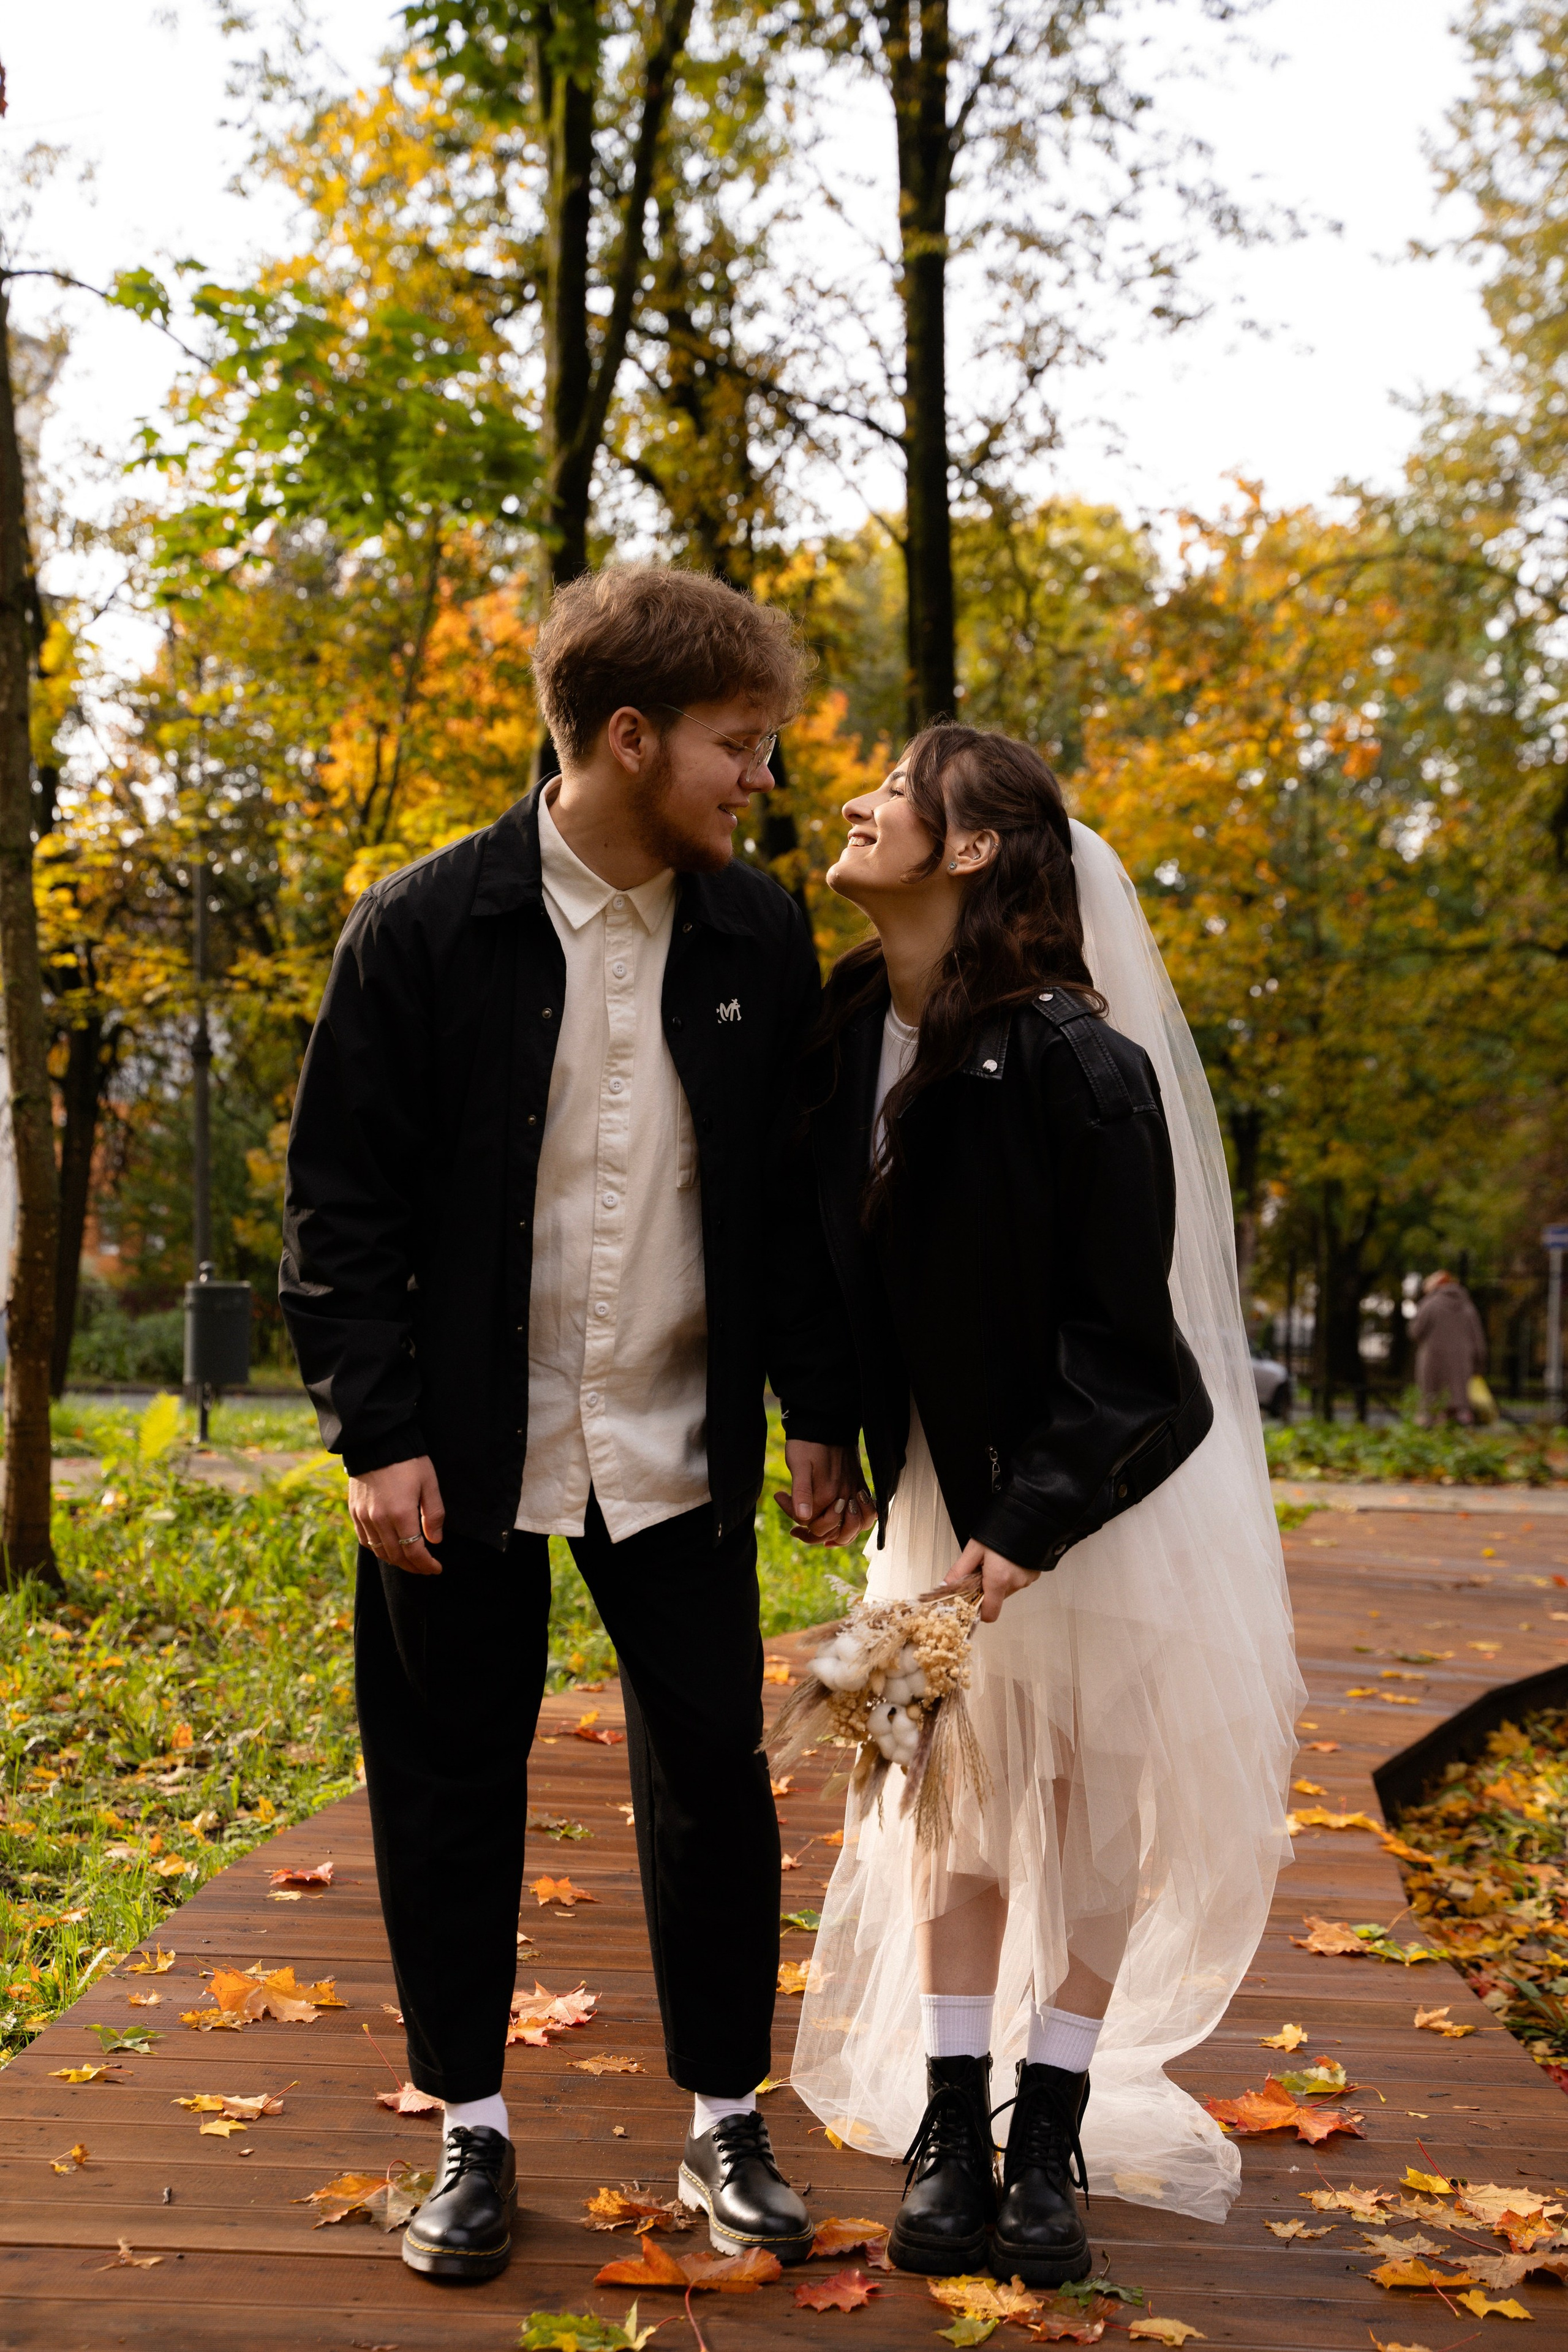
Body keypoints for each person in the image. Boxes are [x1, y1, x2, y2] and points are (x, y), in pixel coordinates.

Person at [280, 566, 874, 2286]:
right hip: (459, 1455)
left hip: (676, 1441)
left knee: (715, 1786)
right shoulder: (422, 929)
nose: (760, 781)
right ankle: (467, 2131)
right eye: (736, 747)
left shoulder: (758, 934)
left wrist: (817, 1410)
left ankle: (721, 2117)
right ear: (630, 739)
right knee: (450, 1779)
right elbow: (340, 1214)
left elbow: (788, 1209)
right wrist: (375, 1433)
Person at [785, 726, 1302, 2280]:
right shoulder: (835, 1027)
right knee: (946, 1793)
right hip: (939, 1484)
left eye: (897, 783)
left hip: (1098, 1488)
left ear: (965, 848)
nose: (860, 799)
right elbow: (811, 1260)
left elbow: (1132, 1355)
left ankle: (1045, 2126)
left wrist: (1027, 1524)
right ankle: (951, 2115)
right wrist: (822, 1428)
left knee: (1078, 1800)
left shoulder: (1085, 1064)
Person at [1411, 1270, 1488, 1425]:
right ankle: (1462, 1423)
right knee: (1460, 1401)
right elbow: (1479, 1341)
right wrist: (1479, 1365)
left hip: (1433, 1362)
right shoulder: (1468, 1307)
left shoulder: (1430, 1305)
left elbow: (1415, 1332)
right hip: (1463, 1364)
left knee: (1432, 1403)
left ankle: (1430, 1428)